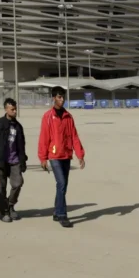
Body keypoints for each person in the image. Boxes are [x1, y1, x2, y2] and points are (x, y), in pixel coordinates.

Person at [38, 87, 86, 228]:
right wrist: (43, 157)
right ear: (53, 98)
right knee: (61, 183)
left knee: (63, 185)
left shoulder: (68, 117)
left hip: (66, 155)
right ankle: (62, 215)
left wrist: (80, 154)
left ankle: (56, 211)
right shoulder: (47, 117)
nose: (62, 99)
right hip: (54, 156)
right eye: (59, 97)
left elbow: (74, 136)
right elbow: (44, 137)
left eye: (63, 97)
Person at [0, 97, 27, 222]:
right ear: (6, 109)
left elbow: (22, 145)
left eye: (15, 109)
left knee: (18, 184)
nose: (14, 111)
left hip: (14, 161)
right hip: (0, 162)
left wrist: (23, 161)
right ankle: (4, 213)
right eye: (12, 109)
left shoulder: (18, 127)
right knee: (1, 188)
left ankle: (11, 204)